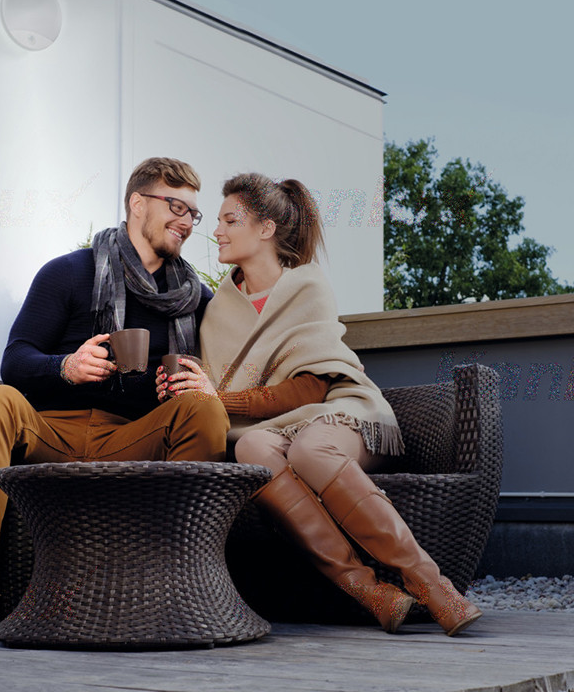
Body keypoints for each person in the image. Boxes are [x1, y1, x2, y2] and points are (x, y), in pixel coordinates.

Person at [157, 172, 482, 636]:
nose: (217, 231)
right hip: (265, 428)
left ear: (266, 228)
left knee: (311, 449)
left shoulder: (306, 286)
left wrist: (219, 397)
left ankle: (431, 584)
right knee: (251, 450)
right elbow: (214, 386)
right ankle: (367, 590)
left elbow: (310, 388)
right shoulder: (218, 309)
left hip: (341, 411)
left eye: (230, 220)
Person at [0, 157, 229, 643]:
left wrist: (206, 386)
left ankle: (171, 584)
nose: (187, 221)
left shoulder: (194, 297)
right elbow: (15, 359)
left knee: (204, 407)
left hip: (133, 436)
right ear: (138, 204)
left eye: (193, 213)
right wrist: (65, 366)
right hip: (50, 431)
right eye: (176, 206)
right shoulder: (68, 272)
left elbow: (237, 355)